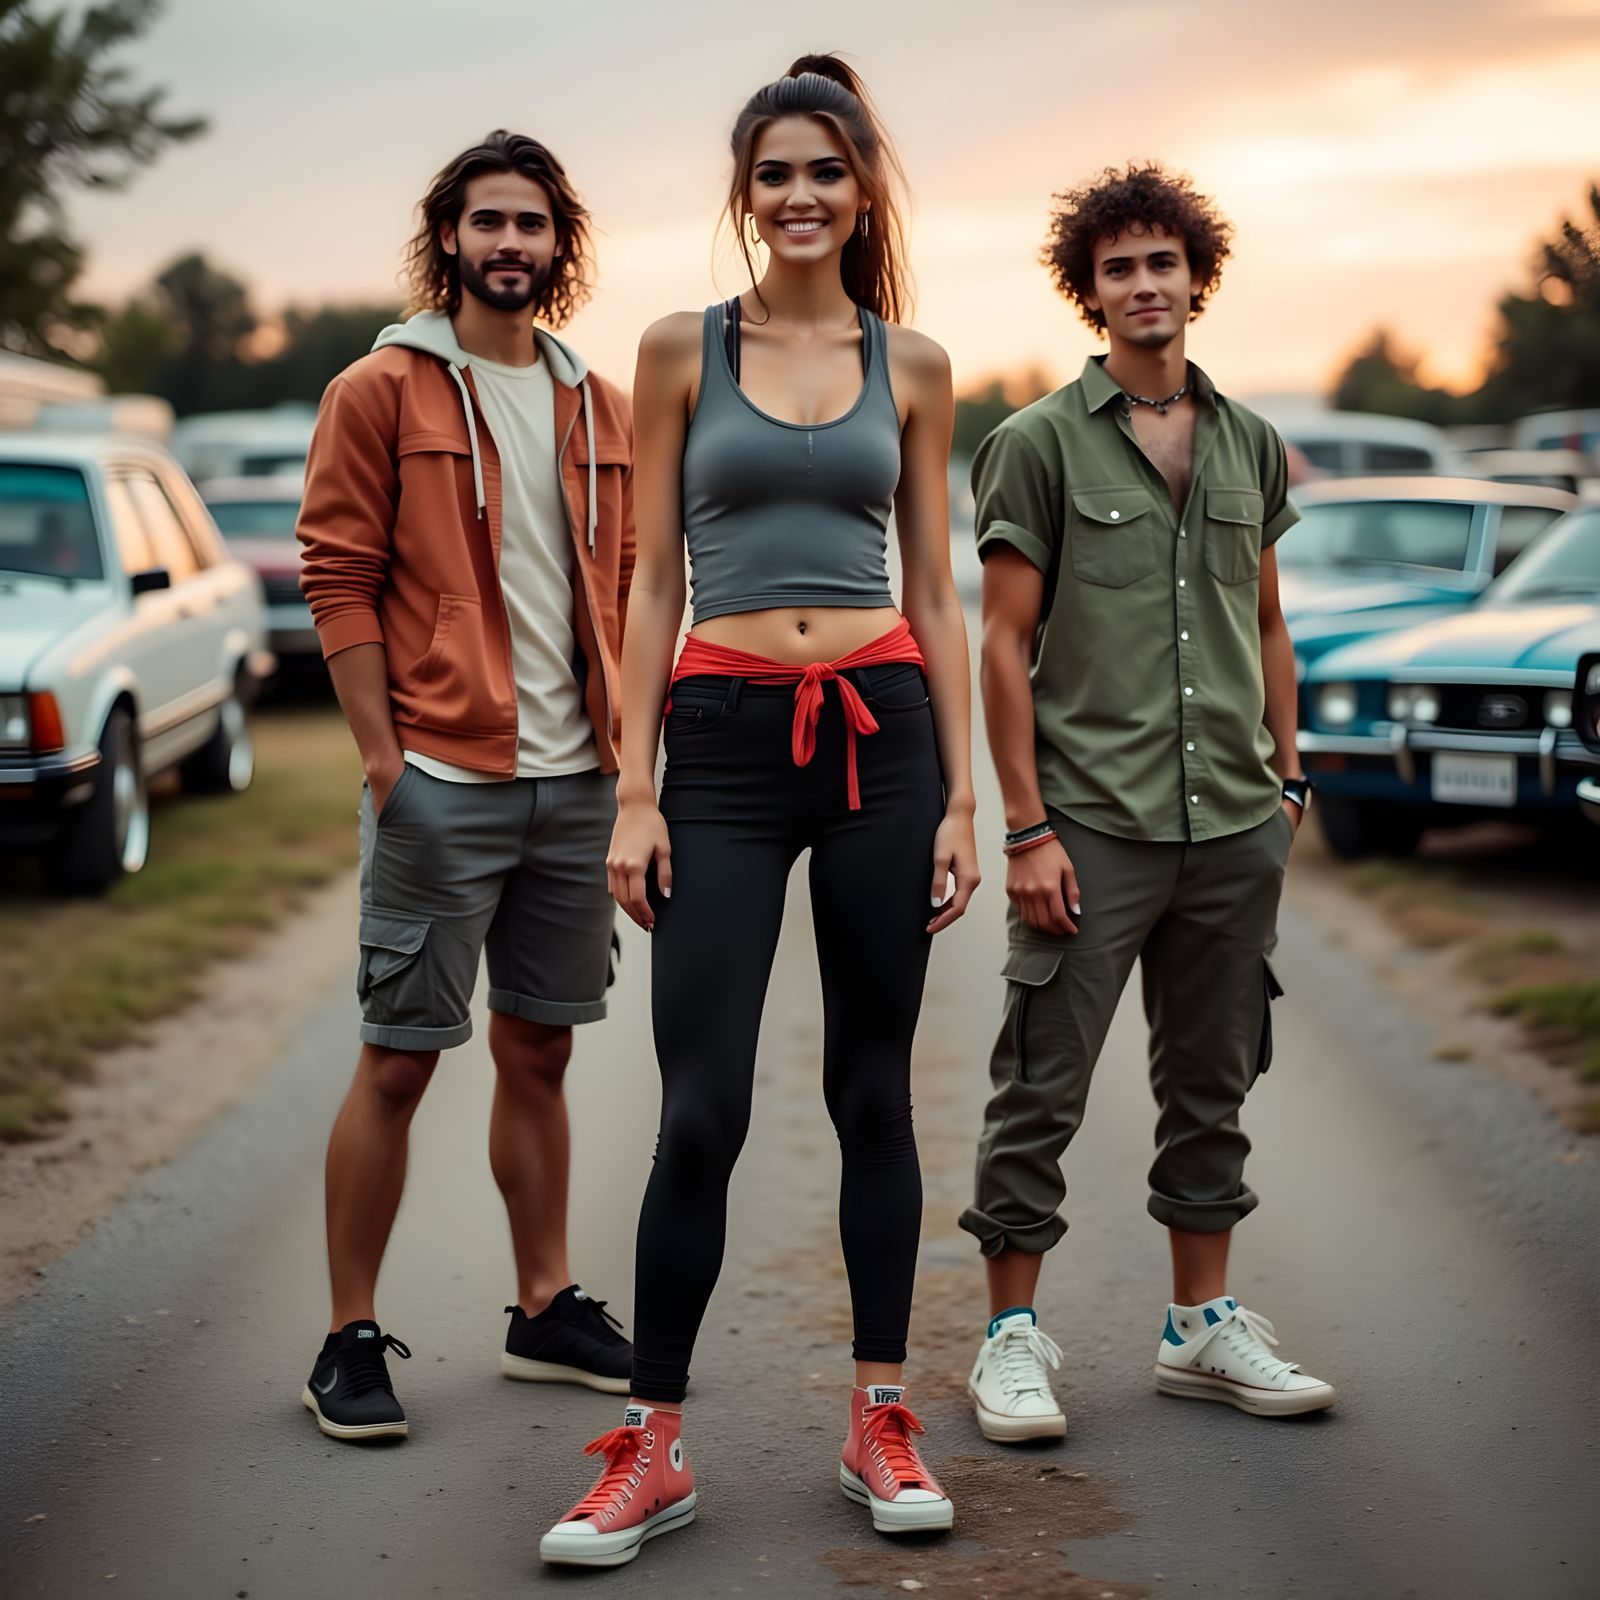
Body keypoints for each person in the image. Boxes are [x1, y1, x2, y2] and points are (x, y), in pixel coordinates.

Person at [538, 55, 980, 1567]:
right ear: (747, 193)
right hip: (721, 748)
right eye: (776, 174)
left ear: (863, 193)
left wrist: (964, 800)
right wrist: (636, 789)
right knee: (703, 1107)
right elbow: (652, 582)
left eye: (827, 173)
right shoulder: (678, 350)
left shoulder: (913, 362)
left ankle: (878, 1418)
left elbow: (934, 586)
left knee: (873, 1091)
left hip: (884, 742)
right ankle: (652, 1447)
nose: (801, 197)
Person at [960, 163, 1335, 1442]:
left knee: (1211, 1082)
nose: (1143, 285)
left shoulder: (1249, 444)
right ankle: (1009, 1338)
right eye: (1117, 267)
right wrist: (1024, 825)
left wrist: (1289, 778)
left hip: (1231, 824)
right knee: (1039, 1088)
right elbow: (1001, 648)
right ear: (1091, 290)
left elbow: (1270, 621)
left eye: (1161, 262)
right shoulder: (1036, 444)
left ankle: (1198, 1327)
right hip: (1092, 828)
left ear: (1195, 277)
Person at [294, 131, 636, 1441]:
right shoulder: (379, 391)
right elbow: (337, 581)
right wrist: (389, 763)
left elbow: (626, 590)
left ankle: (543, 1305)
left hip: (573, 785)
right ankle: (347, 1337)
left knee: (540, 1049)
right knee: (397, 1063)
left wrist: (629, 768)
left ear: (560, 246)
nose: (509, 244)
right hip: (442, 777)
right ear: (449, 238)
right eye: (486, 222)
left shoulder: (598, 404)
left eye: (532, 225)